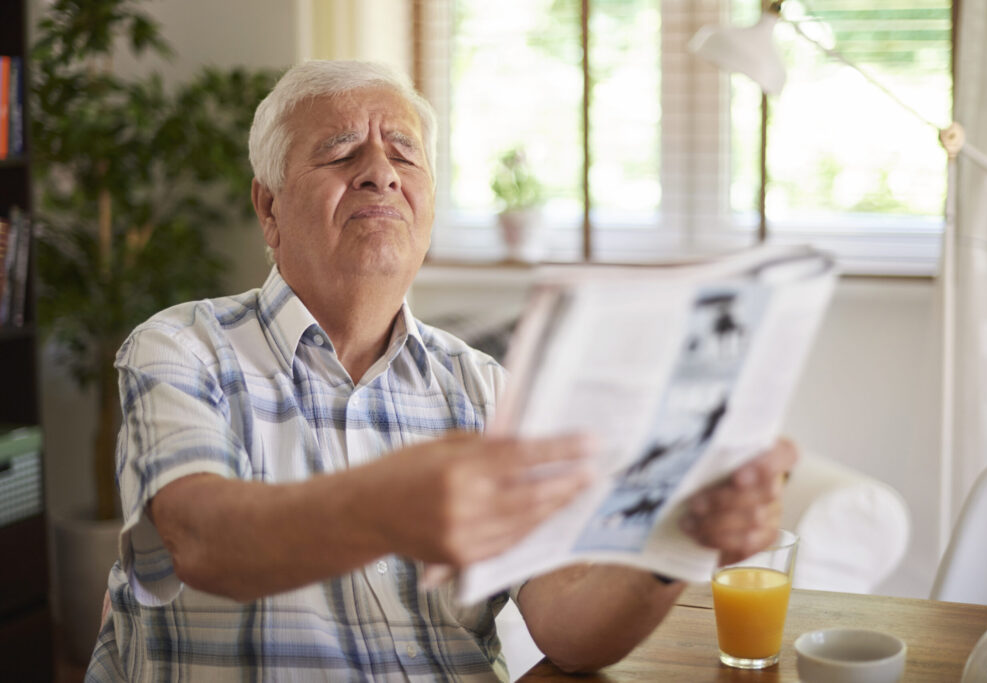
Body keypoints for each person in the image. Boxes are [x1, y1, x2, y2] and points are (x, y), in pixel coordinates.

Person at [86, 60, 796, 681]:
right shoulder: (181, 347)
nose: (379, 170)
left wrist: (673, 541)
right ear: (268, 206)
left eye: (404, 153)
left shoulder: (482, 385)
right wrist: (386, 505)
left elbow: (570, 628)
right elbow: (199, 541)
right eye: (339, 153)